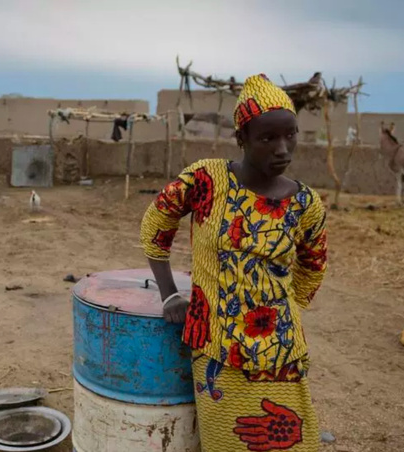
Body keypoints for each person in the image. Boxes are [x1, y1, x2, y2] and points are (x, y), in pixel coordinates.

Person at [140, 74, 327, 451]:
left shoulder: (306, 203)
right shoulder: (207, 180)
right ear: (241, 138)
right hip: (217, 349)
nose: (282, 149)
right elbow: (155, 224)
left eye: (290, 135)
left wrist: (286, 310)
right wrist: (169, 295)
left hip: (281, 354)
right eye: (267, 138)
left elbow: (313, 265)